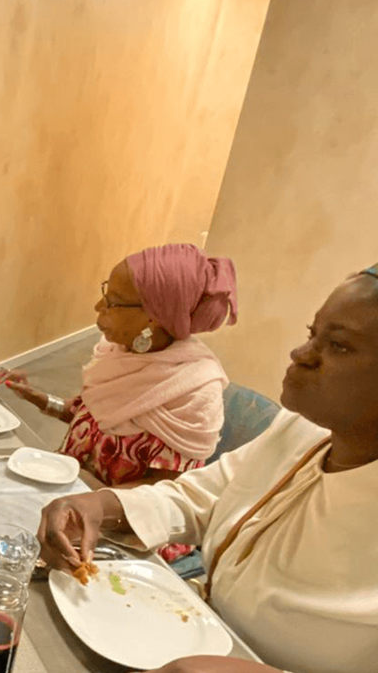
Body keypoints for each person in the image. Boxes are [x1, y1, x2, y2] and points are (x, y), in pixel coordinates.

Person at [37, 264, 378, 673]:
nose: (301, 354)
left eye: (338, 346)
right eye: (312, 333)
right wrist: (102, 506)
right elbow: (200, 496)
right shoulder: (300, 431)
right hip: (187, 625)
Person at [0, 245, 236, 560]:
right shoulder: (118, 353)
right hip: (67, 493)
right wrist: (37, 397)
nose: (98, 306)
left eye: (112, 301)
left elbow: (166, 497)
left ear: (154, 316)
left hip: (123, 532)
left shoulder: (192, 392)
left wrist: (82, 503)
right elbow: (93, 418)